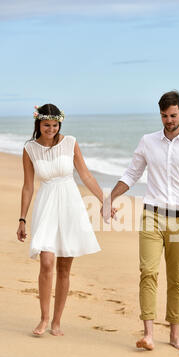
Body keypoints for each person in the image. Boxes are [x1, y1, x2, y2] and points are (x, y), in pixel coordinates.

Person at [102, 91, 179, 351]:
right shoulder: (148, 142)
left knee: (176, 278)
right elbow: (131, 174)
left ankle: (174, 334)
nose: (169, 120)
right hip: (152, 215)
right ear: (159, 114)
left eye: (173, 115)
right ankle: (148, 334)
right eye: (164, 116)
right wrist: (110, 198)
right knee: (148, 272)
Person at [17, 103, 116, 337]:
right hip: (46, 204)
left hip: (70, 204)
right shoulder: (29, 149)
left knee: (64, 267)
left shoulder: (70, 142)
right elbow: (28, 186)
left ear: (59, 123)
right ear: (38, 124)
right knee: (46, 261)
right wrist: (22, 218)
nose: (50, 129)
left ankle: (57, 322)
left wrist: (105, 200)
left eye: (54, 125)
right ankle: (43, 318)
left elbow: (85, 175)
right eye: (45, 125)